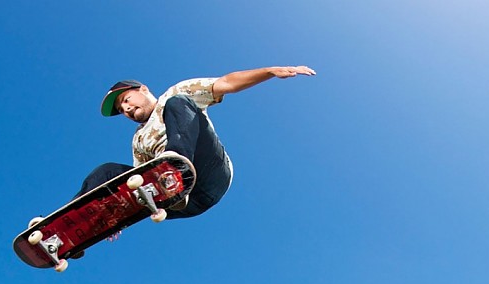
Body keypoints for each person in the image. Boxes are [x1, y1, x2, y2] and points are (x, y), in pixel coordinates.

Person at [82, 66, 316, 221]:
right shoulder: (138, 140)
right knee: (108, 172)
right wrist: (117, 213)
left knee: (177, 102)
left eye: (126, 100)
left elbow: (226, 82)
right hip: (184, 203)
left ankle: (174, 171)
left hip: (210, 174)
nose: (126, 109)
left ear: (142, 89)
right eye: (122, 109)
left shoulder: (175, 93)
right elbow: (137, 183)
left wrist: (269, 71)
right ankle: (73, 224)